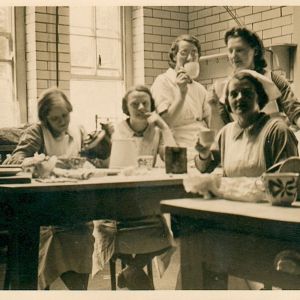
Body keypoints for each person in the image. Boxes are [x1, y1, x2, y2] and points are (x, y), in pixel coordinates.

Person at [3, 87, 111, 290]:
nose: (63, 122)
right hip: (44, 211)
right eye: (56, 119)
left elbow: (89, 160)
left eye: (65, 116)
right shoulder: (36, 132)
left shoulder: (77, 129)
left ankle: (78, 289)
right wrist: (40, 162)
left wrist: (102, 149)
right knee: (55, 235)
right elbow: (15, 161)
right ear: (45, 119)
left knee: (82, 231)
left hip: (75, 208)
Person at [93, 85, 177, 290]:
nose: (140, 107)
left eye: (145, 103)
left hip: (144, 203)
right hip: (116, 203)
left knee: (166, 236)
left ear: (151, 106)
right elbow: (104, 166)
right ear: (126, 108)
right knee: (111, 230)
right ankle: (134, 270)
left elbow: (174, 162)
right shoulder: (115, 131)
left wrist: (164, 127)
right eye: (134, 103)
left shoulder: (156, 130)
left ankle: (131, 269)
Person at [195, 69, 298, 177]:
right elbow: (205, 168)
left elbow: (289, 182)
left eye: (246, 92)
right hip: (231, 193)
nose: (239, 98)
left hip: (264, 194)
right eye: (234, 94)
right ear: (228, 101)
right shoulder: (226, 133)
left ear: (259, 97)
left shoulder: (277, 131)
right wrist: (204, 154)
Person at [209, 26, 300, 133]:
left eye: (239, 50)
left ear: (255, 51)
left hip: (274, 140)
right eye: (230, 51)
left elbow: (294, 111)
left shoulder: (273, 79)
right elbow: (222, 132)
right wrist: (213, 107)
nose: (233, 56)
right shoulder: (222, 89)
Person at [151, 34, 211, 157]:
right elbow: (165, 123)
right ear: (174, 56)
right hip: (176, 149)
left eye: (194, 53)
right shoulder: (163, 81)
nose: (190, 57)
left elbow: (211, 123)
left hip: (201, 149)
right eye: (184, 53)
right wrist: (181, 95)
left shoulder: (200, 89)